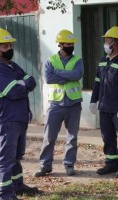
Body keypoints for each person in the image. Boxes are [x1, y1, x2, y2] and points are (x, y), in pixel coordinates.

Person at [0, 28, 39, 200]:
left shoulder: (11, 65)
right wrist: (22, 83)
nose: (9, 49)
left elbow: (31, 80)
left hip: (19, 117)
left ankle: (18, 186)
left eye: (10, 45)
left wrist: (22, 83)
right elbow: (14, 92)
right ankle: (5, 194)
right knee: (6, 159)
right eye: (5, 46)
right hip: (7, 119)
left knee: (16, 156)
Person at [34, 29, 84, 177]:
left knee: (72, 137)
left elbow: (77, 75)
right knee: (49, 137)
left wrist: (59, 73)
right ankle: (45, 166)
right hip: (55, 104)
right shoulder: (51, 61)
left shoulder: (77, 60)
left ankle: (69, 165)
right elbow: (49, 79)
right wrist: (68, 77)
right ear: (61, 44)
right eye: (68, 43)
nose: (71, 46)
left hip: (74, 104)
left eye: (72, 43)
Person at [90, 26, 118, 178]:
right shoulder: (103, 61)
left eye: (107, 41)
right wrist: (93, 100)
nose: (105, 43)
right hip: (104, 107)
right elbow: (97, 82)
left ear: (115, 43)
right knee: (107, 136)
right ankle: (111, 164)